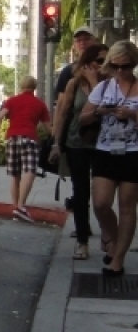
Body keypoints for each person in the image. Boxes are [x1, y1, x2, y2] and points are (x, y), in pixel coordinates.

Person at [80, 39, 138, 275]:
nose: (121, 71)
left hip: (133, 153)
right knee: (101, 204)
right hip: (106, 151)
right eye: (115, 66)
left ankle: (119, 259)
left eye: (126, 66)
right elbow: (82, 119)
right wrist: (98, 111)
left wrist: (133, 114)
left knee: (127, 206)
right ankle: (113, 241)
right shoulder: (103, 88)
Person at [51, 42, 106, 258]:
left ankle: (108, 235)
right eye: (99, 61)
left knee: (103, 197)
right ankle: (82, 241)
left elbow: (102, 109)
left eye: (106, 61)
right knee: (81, 193)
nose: (103, 65)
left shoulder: (112, 84)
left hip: (105, 145)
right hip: (78, 144)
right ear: (87, 63)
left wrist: (95, 83)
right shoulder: (74, 84)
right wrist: (56, 143)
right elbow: (63, 114)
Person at [0, 75, 50, 222]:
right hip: (30, 138)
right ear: (34, 87)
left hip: (12, 138)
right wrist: (56, 140)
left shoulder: (12, 101)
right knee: (30, 171)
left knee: (15, 175)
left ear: (21, 86)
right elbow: (48, 128)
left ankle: (16, 208)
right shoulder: (39, 104)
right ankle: (21, 206)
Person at [54, 28, 97, 106]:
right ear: (74, 45)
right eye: (78, 40)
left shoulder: (103, 67)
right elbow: (61, 102)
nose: (82, 43)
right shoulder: (67, 71)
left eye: (86, 39)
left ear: (94, 41)